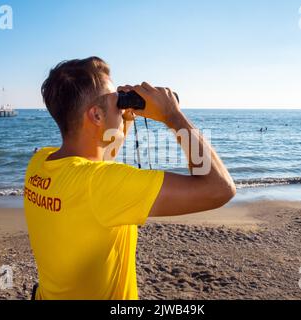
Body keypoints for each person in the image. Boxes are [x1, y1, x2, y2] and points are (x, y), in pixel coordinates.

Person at [23, 57, 235, 300]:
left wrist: (124, 117)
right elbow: (220, 188)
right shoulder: (99, 185)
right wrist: (172, 116)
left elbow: (100, 159)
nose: (121, 107)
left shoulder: (41, 162)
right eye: (117, 101)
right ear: (96, 115)